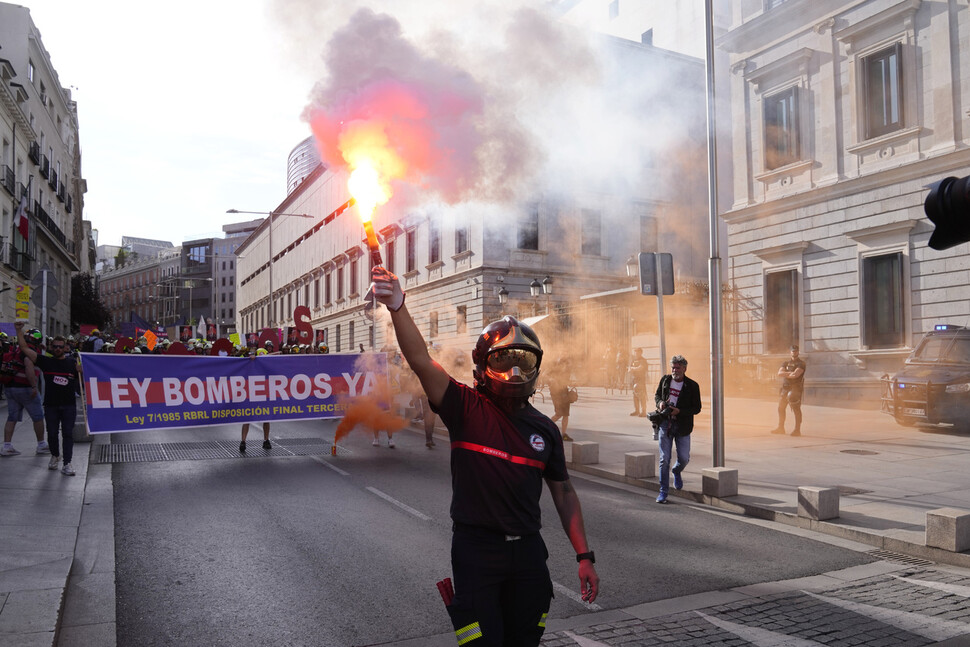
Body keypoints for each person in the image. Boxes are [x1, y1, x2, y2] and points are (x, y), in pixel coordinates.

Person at [371, 266, 598, 646]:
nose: (512, 370)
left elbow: (564, 493)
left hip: (528, 554)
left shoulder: (545, 429)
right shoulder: (463, 406)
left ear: (536, 367)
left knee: (525, 641)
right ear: (481, 365)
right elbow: (421, 361)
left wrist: (584, 555)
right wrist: (398, 306)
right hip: (477, 552)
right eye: (502, 360)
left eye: (523, 361)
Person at [15, 324, 77, 474]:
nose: (57, 349)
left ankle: (67, 463)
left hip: (69, 406)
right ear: (50, 346)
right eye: (55, 346)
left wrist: (80, 371)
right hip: (51, 405)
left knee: (68, 434)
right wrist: (18, 331)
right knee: (52, 433)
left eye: (60, 347)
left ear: (65, 348)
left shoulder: (73, 363)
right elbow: (24, 348)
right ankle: (55, 455)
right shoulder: (45, 361)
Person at [653, 355, 702, 504]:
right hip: (665, 425)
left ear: (684, 369)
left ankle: (677, 471)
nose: (675, 370)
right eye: (673, 367)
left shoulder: (692, 386)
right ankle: (663, 492)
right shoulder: (665, 380)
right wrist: (661, 403)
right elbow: (657, 396)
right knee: (664, 459)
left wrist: (679, 411)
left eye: (678, 368)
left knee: (684, 458)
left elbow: (697, 408)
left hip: (683, 426)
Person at [1, 328, 49, 458]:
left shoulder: (17, 348)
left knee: (12, 417)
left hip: (10, 387)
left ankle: (7, 446)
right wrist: (34, 386)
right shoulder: (30, 351)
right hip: (25, 387)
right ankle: (41, 445)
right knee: (38, 416)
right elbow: (28, 366)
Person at [772, 345, 806, 437]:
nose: (794, 352)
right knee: (781, 408)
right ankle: (780, 428)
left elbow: (796, 375)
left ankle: (797, 430)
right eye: (792, 351)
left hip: (795, 389)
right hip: (785, 388)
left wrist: (786, 374)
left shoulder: (801, 363)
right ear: (790, 352)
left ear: (798, 352)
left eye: (796, 351)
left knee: (796, 409)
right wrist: (790, 373)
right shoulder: (785, 363)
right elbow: (779, 373)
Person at [548, 356, 574, 442]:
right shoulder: (555, 370)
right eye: (567, 364)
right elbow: (546, 377)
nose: (568, 366)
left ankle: (563, 434)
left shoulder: (567, 371)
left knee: (566, 414)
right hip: (557, 394)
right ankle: (546, 427)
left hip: (564, 394)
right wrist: (553, 381)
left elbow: (566, 382)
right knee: (558, 414)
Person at [629, 348, 648, 417]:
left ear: (641, 353)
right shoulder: (633, 360)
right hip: (634, 379)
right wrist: (631, 369)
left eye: (637, 352)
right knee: (635, 395)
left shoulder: (643, 360)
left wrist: (633, 369)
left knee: (642, 396)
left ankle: (644, 411)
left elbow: (641, 368)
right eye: (635, 352)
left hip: (640, 379)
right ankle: (637, 410)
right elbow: (629, 368)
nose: (636, 354)